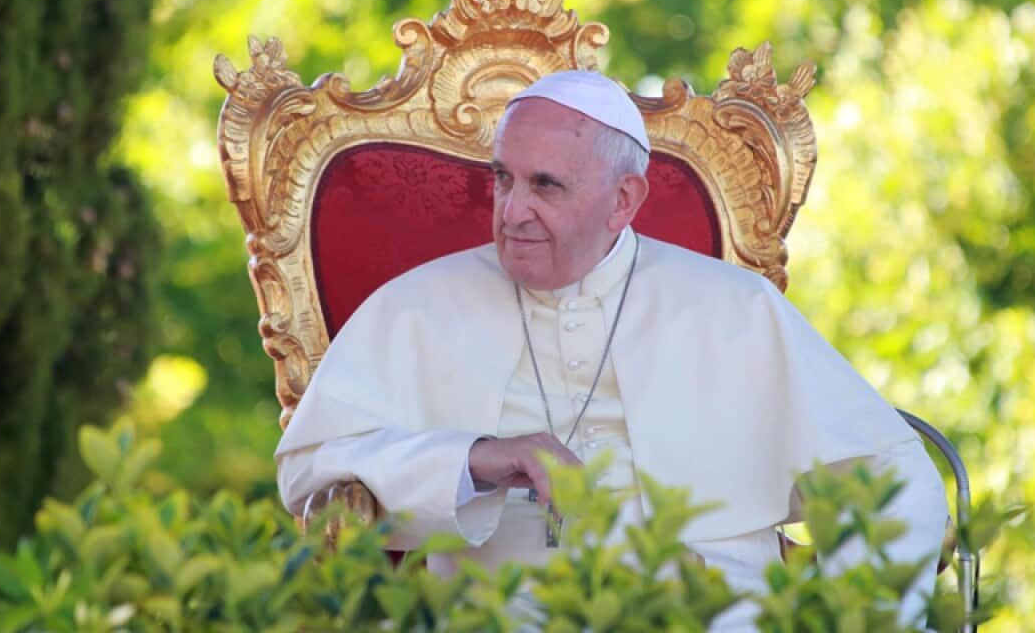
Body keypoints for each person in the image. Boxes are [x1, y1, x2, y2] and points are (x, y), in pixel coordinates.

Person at [275, 71, 948, 629]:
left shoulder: (736, 309)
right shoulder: (417, 307)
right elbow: (310, 471)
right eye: (503, 179)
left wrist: (846, 614)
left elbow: (889, 475)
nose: (511, 212)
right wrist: (474, 459)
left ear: (624, 200)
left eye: (546, 185)